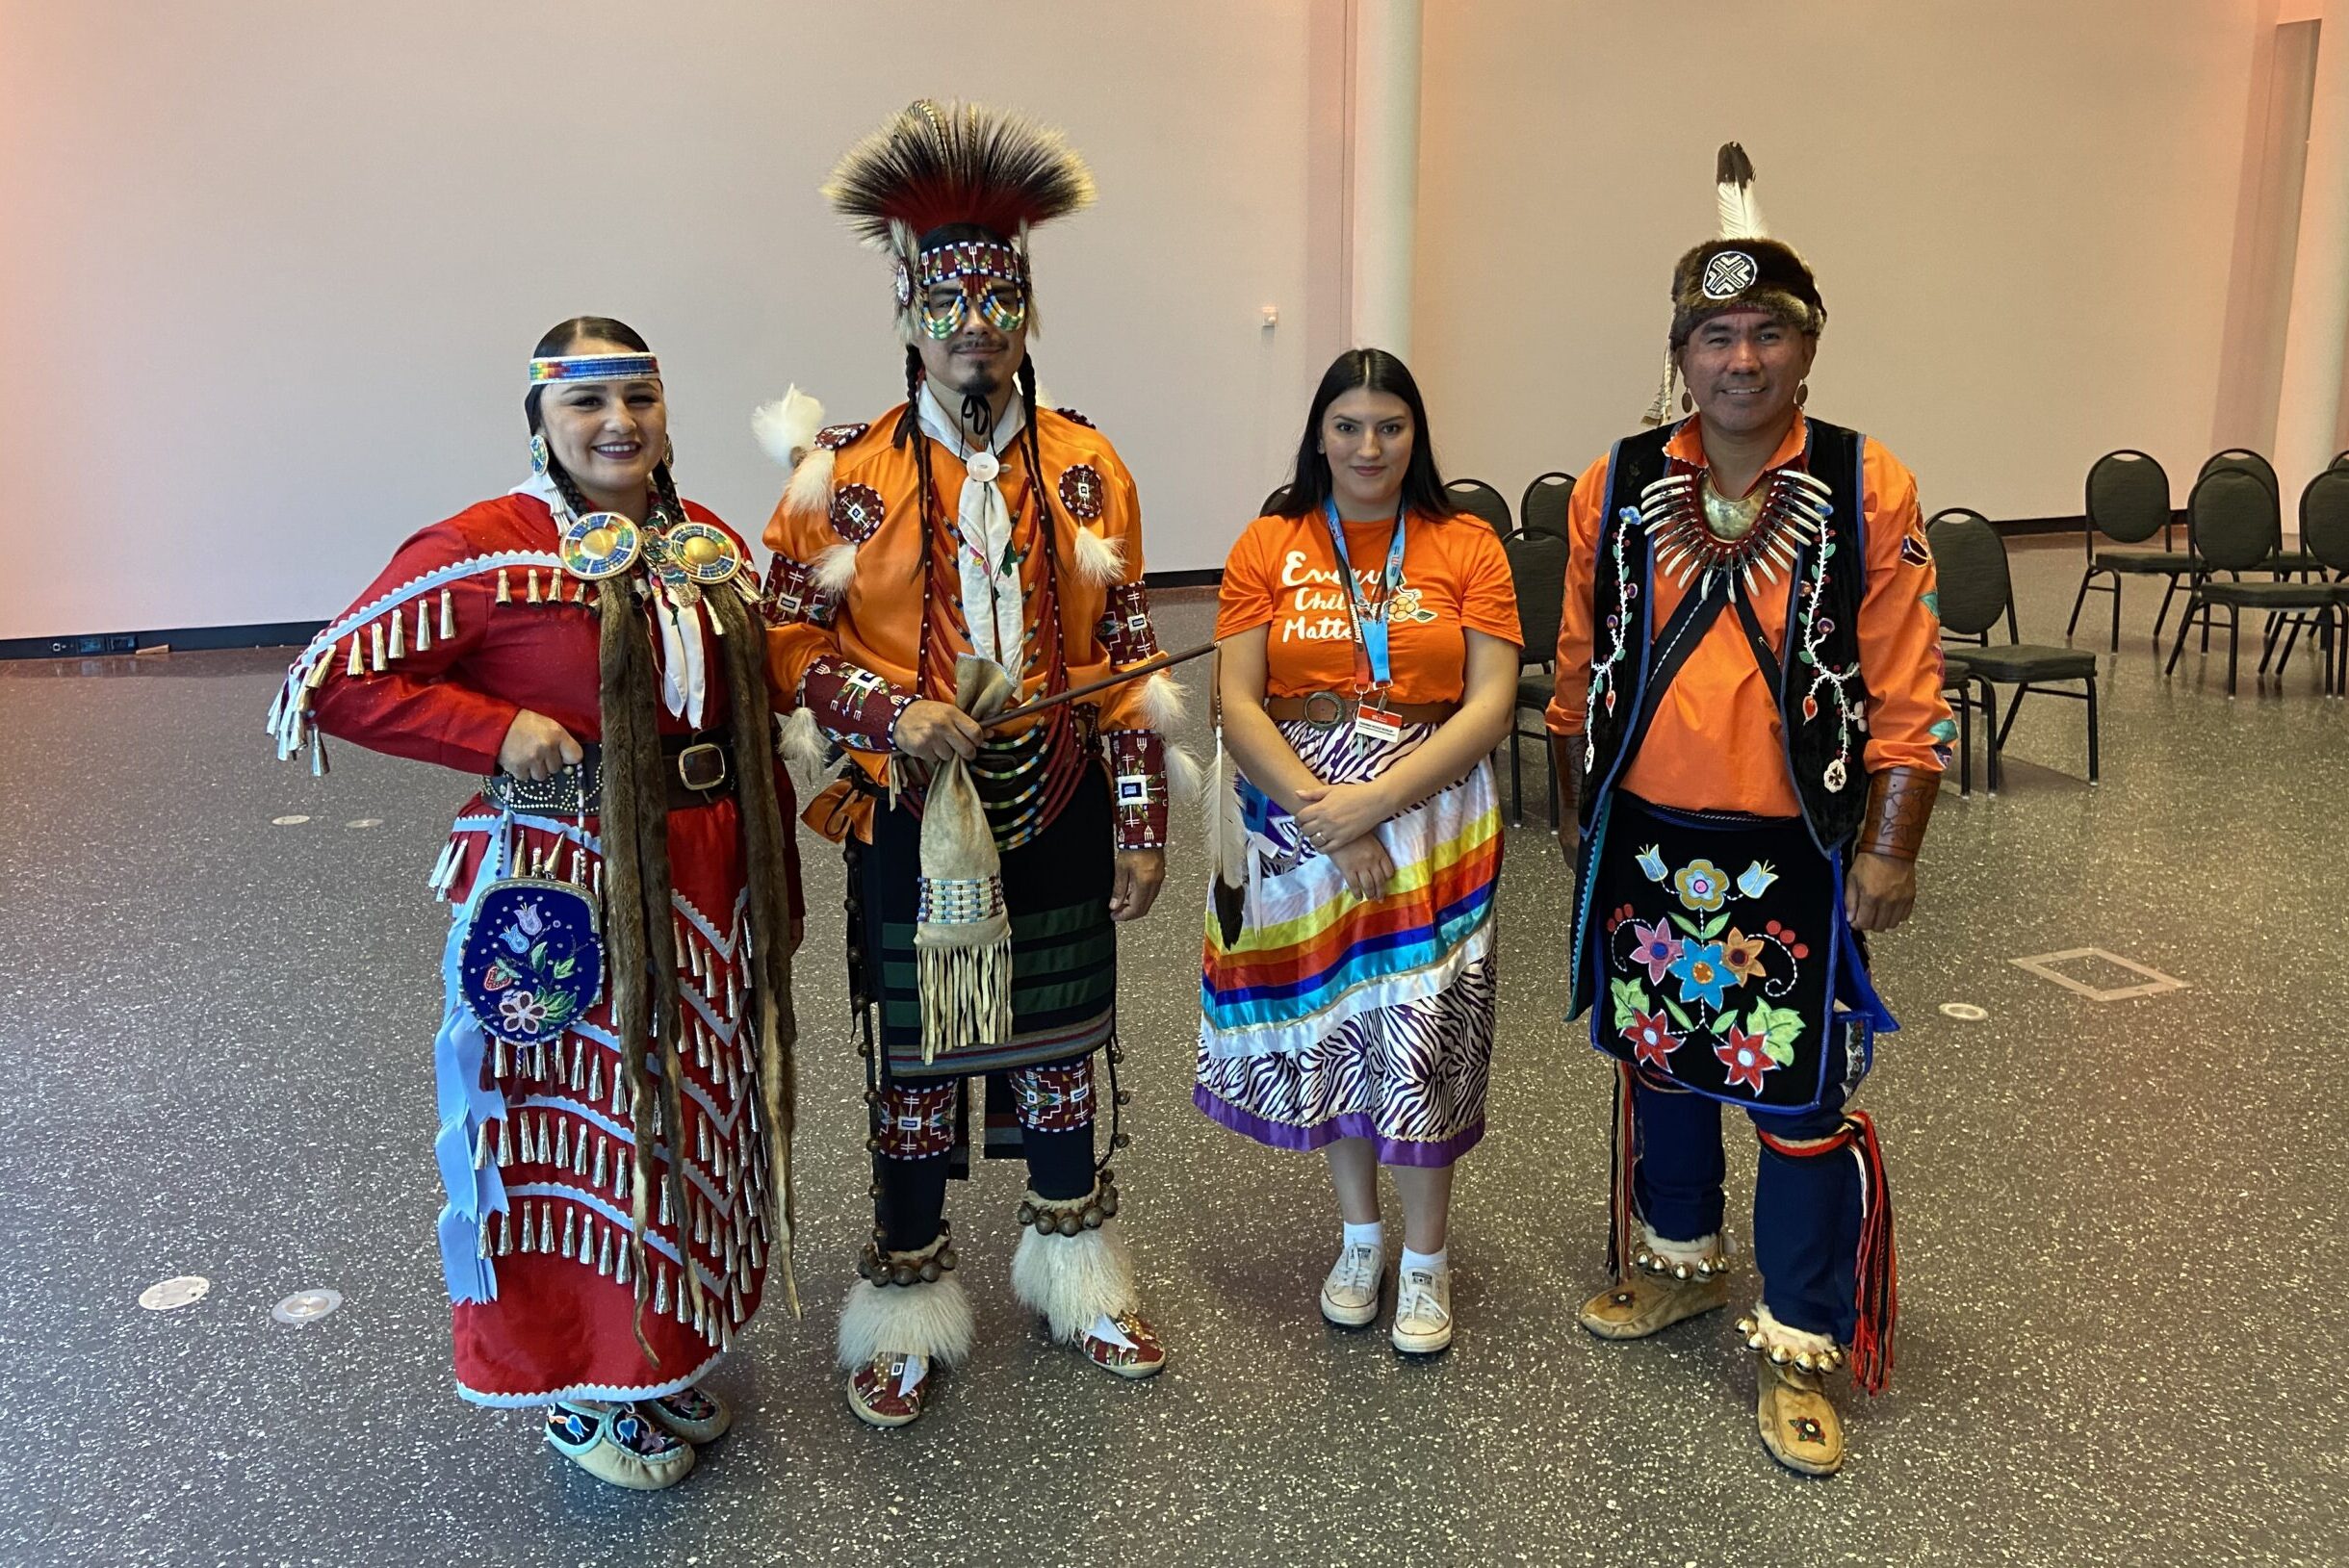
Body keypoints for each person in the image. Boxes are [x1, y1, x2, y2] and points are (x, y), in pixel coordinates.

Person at [265, 317, 804, 1489]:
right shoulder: (487, 547)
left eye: (641, 398)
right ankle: (579, 1384)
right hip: (568, 882)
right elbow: (336, 676)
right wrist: (492, 728)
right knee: (585, 1129)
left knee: (687, 1110)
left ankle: (658, 1352)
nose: (619, 423)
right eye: (588, 403)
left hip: (709, 877)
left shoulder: (701, 539)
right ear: (540, 421)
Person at [759, 100, 1178, 1427]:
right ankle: (905, 1299)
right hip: (913, 808)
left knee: (1062, 1044)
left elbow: (1124, 642)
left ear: (1026, 313)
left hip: (1051, 792)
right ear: (907, 312)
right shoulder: (842, 476)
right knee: (924, 1062)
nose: (975, 328)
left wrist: (1144, 812)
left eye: (1000, 304)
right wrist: (889, 717)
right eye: (950, 306)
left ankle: (1078, 1275)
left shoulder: (1088, 466)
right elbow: (782, 638)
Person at [1545, 145, 1955, 1476]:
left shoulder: (1861, 481)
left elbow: (1907, 684)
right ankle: (1681, 1261)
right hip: (1648, 843)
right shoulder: (1616, 483)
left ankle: (1799, 1339)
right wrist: (1574, 820)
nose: (1740, 358)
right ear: (1681, 355)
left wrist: (1890, 842)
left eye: (1764, 332)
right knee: (1664, 1069)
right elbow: (1574, 663)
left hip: (1800, 854)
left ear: (1806, 349)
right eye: (1715, 334)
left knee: (1796, 1104)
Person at [1197, 348, 1520, 1356]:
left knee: (1424, 1033)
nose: (1368, 446)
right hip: (1299, 818)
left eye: (1389, 426)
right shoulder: (1270, 541)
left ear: (1415, 435)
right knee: (1338, 1024)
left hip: (1431, 814)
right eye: (1348, 426)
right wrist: (1321, 811)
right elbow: (1235, 697)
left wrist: (1375, 804)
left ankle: (1425, 1262)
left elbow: (1493, 701)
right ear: (1319, 434)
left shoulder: (1467, 545)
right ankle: (1359, 1238)